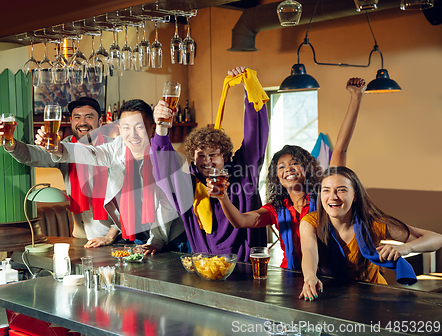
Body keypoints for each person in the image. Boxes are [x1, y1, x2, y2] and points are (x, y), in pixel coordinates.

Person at [210, 78, 367, 268]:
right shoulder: (276, 209)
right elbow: (241, 221)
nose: (288, 169)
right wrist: (222, 197)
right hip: (291, 277)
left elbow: (340, 149)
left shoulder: (323, 196)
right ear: (277, 177)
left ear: (307, 167)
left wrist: (356, 96)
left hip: (331, 274)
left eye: (294, 163)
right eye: (281, 167)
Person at [36, 99, 188, 256]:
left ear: (152, 128)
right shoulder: (116, 149)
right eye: (126, 127)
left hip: (171, 238)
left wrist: (157, 240)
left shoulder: (166, 157)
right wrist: (58, 147)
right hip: (138, 239)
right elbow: (89, 153)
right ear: (120, 129)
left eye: (139, 127)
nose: (133, 134)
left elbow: (167, 203)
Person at [151, 66, 269, 262]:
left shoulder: (243, 174)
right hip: (205, 269)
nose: (207, 161)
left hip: (246, 269)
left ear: (225, 156)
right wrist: (161, 126)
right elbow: (164, 166)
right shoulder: (186, 187)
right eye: (201, 155)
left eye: (213, 154)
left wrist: (250, 88)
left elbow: (255, 137)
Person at [0, 97, 121, 248]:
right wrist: (10, 143)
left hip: (114, 239)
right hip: (81, 238)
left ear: (100, 122)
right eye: (77, 117)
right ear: (71, 122)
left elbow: (131, 197)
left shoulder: (113, 148)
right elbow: (34, 155)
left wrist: (109, 236)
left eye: (89, 116)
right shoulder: (65, 147)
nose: (83, 122)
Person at [299, 166, 442, 300]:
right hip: (332, 296)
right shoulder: (310, 223)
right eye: (326, 190)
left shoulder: (373, 223)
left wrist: (406, 248)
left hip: (373, 298)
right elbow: (309, 251)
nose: (333, 196)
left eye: (341, 190)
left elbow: (437, 239)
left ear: (355, 195)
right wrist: (310, 277)